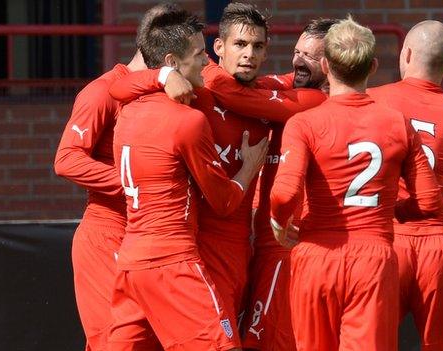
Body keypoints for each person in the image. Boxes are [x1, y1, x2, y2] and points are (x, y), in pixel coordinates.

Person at [107, 5, 327, 345]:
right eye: (239, 44)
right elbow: (118, 88)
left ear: (267, 50)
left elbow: (307, 93)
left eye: (257, 46)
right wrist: (163, 76)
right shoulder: (195, 86)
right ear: (218, 48)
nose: (248, 55)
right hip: (197, 248)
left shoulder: (266, 94)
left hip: (241, 248)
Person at [269, 17, 442, 351]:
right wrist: (390, 208)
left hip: (316, 256)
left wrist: (279, 221)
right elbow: (430, 201)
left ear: (324, 64)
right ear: (373, 66)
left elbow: (285, 193)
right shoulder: (396, 122)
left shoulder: (304, 123)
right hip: (373, 258)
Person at [52, 4, 177, 350]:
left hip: (146, 236)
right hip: (106, 232)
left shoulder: (161, 92)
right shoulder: (103, 90)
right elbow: (66, 159)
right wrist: (134, 182)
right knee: (114, 342)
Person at [367, 20, 443, 351]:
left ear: (407, 54)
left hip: (382, 242)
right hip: (436, 246)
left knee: (365, 342)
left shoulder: (372, 100)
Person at [239, 18, 339, 351]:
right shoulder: (297, 88)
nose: (297, 60)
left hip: (288, 248)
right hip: (270, 246)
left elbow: (240, 94)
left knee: (267, 340)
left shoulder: (316, 103)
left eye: (308, 56)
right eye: (296, 51)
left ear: (328, 63)